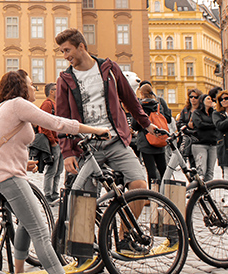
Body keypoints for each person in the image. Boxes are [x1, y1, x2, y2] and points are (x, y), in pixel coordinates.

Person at [0, 69, 109, 274]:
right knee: (40, 230)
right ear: (20, 87)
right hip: (7, 177)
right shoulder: (18, 104)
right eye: (30, 83)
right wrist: (95, 130)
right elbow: (56, 123)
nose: (34, 86)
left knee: (26, 224)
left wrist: (24, 163)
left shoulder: (5, 107)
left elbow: (7, 144)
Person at [54, 29, 159, 226]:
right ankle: (87, 252)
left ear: (81, 46)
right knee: (84, 202)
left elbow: (130, 100)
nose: (65, 56)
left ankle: (126, 235)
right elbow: (62, 118)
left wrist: (147, 124)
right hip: (85, 148)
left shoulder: (109, 68)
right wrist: (67, 152)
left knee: (139, 186)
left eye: (67, 50)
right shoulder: (65, 80)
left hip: (115, 141)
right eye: (62, 52)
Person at [132, 82, 170, 189]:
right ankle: (164, 193)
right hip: (159, 139)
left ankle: (153, 194)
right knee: (163, 169)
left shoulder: (140, 106)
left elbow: (135, 125)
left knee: (151, 171)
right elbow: (167, 118)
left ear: (142, 93)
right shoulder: (158, 105)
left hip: (145, 142)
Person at [188, 93, 222, 182]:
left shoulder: (214, 113)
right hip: (200, 144)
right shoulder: (197, 112)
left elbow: (219, 123)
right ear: (202, 101)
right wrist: (213, 125)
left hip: (212, 144)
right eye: (208, 99)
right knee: (201, 170)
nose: (211, 101)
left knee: (210, 171)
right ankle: (198, 191)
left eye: (211, 99)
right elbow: (199, 125)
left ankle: (208, 191)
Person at [39, 84, 64, 203]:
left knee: (58, 170)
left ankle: (54, 192)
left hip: (59, 141)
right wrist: (52, 142)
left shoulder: (56, 104)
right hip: (53, 143)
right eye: (57, 89)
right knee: (51, 169)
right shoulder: (47, 104)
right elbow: (44, 124)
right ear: (52, 92)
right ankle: (48, 194)